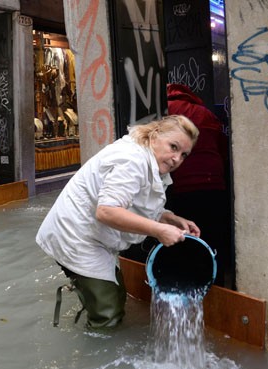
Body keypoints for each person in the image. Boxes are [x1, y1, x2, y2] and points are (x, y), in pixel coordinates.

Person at [36, 115, 201, 329]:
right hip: (77, 237)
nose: (176, 158)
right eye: (173, 147)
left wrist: (168, 217)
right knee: (108, 313)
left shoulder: (148, 159)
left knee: (115, 295)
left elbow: (133, 203)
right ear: (155, 136)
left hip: (94, 236)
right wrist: (159, 230)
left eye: (184, 154)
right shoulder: (132, 160)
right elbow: (107, 211)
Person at [164, 83, 232, 288]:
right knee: (211, 238)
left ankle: (183, 285)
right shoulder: (205, 113)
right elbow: (223, 147)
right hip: (213, 184)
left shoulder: (166, 111)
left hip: (182, 185)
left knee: (182, 237)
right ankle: (215, 286)